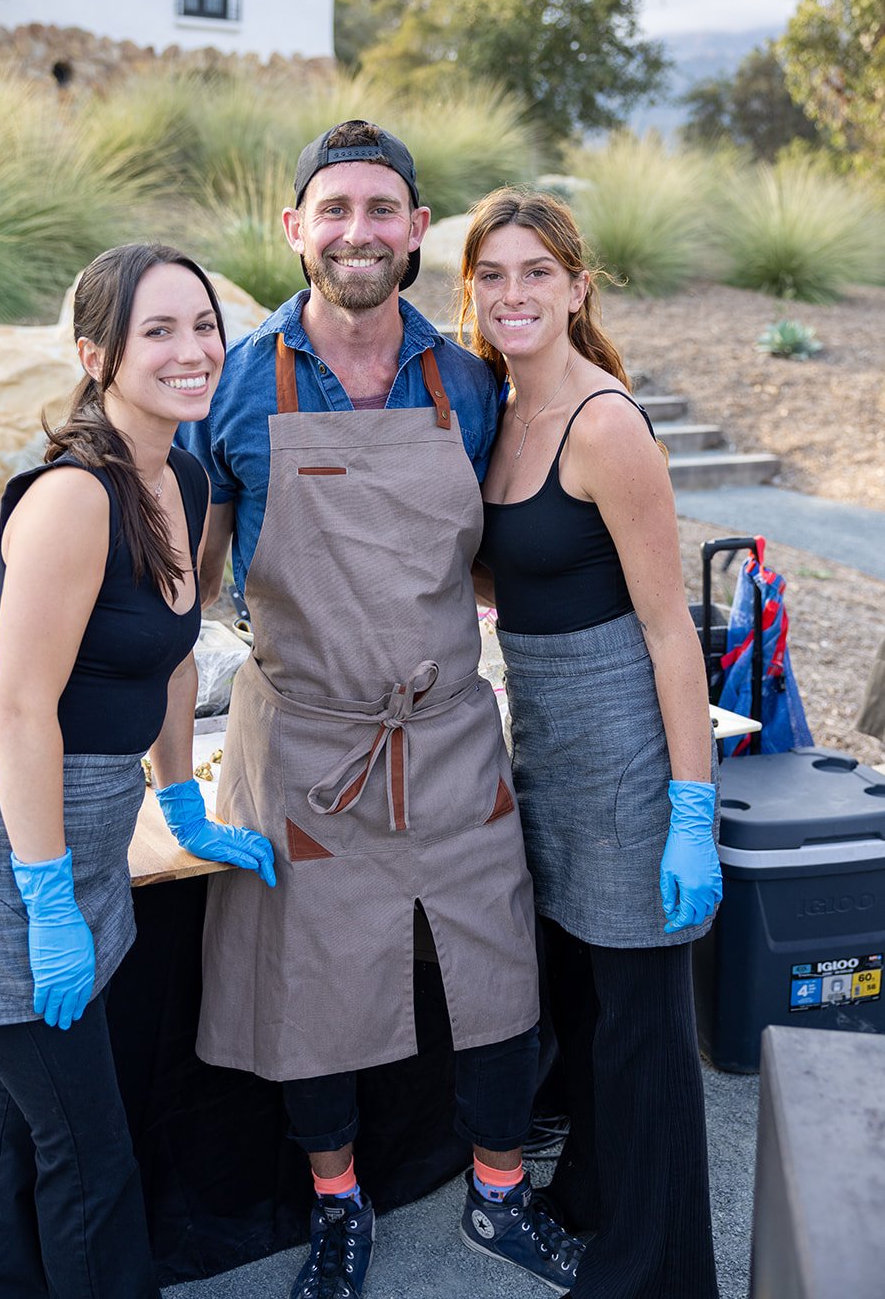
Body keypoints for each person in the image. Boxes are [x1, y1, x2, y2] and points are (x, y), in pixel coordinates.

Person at [180, 123, 584, 1298]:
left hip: (447, 727)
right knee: (316, 985)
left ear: (415, 232)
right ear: (295, 228)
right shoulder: (236, 383)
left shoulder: (465, 380)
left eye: (381, 209)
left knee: (498, 968)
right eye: (333, 208)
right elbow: (191, 584)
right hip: (302, 739)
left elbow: (485, 555)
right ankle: (337, 1210)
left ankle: (498, 1199)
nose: (357, 231)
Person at [0, 243, 275, 1299]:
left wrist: (182, 803)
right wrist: (46, 895)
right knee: (90, 1159)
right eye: (158, 330)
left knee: (21, 1139)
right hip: (3, 864)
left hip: (87, 846)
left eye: (202, 325)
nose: (192, 348)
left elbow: (171, 654)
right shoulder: (71, 497)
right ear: (96, 355)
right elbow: (18, 711)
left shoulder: (185, 476)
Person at [461, 187, 722, 1299]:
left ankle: (653, 1270)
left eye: (534, 273)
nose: (511, 294)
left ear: (576, 287)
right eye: (491, 275)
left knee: (638, 1034)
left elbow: (671, 630)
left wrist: (691, 813)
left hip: (622, 748)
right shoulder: (495, 404)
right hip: (544, 747)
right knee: (582, 1009)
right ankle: (592, 1203)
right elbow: (503, 569)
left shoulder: (602, 423)